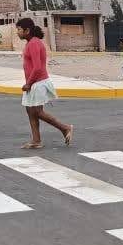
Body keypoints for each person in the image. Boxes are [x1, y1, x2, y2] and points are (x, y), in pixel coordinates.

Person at [16, 18, 73, 149]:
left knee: (37, 111)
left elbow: (37, 67)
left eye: (19, 29)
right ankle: (36, 140)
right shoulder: (30, 43)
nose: (17, 32)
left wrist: (29, 83)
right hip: (33, 82)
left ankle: (65, 128)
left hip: (38, 82)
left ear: (27, 30)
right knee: (30, 110)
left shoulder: (34, 43)